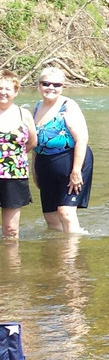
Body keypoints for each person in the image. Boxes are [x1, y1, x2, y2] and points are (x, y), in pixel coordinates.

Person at [32, 67, 93, 234]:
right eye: (46, 84)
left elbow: (82, 139)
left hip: (71, 161)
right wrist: (34, 170)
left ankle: (72, 256)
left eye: (56, 84)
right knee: (51, 217)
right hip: (45, 164)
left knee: (65, 212)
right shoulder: (37, 107)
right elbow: (34, 142)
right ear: (39, 85)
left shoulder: (68, 106)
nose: (51, 88)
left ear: (63, 86)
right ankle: (60, 250)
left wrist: (76, 171)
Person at [0, 70, 37, 240]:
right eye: (0, 88)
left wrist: (13, 157)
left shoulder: (24, 114)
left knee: (11, 229)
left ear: (15, 92)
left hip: (14, 175)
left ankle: (12, 265)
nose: (3, 92)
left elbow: (32, 142)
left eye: (7, 89)